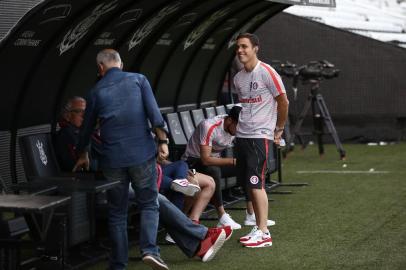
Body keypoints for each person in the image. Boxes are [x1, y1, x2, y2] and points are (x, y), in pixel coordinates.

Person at [73, 49, 169, 270]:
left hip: (112, 159)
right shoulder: (139, 80)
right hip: (142, 154)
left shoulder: (95, 91)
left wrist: (83, 153)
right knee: (148, 203)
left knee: (117, 212)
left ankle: (118, 264)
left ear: (100, 68)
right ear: (121, 64)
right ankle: (150, 250)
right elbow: (154, 115)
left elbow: (86, 129)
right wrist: (162, 142)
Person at [233, 33, 289, 248]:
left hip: (260, 136)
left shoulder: (267, 72)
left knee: (257, 183)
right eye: (238, 47)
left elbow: (283, 102)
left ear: (256, 48)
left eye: (245, 46)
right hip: (242, 136)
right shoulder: (238, 78)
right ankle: (258, 226)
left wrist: (279, 129)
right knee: (249, 184)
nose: (240, 51)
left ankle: (264, 233)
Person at [182, 106, 243, 230]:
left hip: (213, 161)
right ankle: (222, 215)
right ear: (230, 120)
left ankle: (251, 214)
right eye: (239, 126)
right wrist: (233, 161)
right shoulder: (209, 126)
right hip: (193, 161)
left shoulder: (236, 128)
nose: (240, 130)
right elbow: (206, 159)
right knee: (214, 170)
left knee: (247, 168)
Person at [53, 96, 86, 171]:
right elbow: (78, 167)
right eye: (79, 111)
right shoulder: (67, 134)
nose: (84, 115)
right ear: (67, 115)